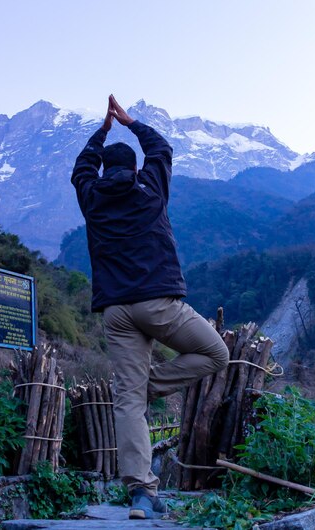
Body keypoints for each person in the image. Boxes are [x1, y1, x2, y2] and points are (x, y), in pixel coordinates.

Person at [71, 94, 229, 520]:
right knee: (216, 353)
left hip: (116, 314)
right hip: (158, 304)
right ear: (136, 168)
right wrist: (129, 122)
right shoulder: (151, 186)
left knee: (128, 400)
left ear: (104, 170)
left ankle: (141, 493)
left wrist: (101, 131)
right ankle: (147, 385)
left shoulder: (92, 198)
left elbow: (80, 170)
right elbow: (161, 149)